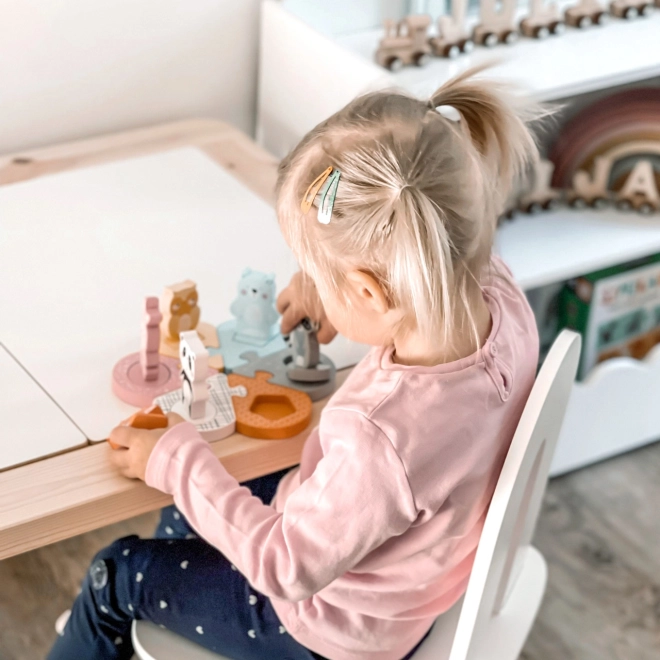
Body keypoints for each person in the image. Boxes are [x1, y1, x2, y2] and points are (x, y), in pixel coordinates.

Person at [48, 66, 540, 660]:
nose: (313, 283)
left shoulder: (380, 437)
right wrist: (331, 287)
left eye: (322, 277)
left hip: (324, 625)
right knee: (196, 490)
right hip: (402, 584)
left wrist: (176, 462)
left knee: (118, 573)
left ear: (370, 294)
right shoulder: (501, 298)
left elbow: (285, 567)